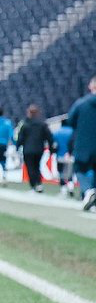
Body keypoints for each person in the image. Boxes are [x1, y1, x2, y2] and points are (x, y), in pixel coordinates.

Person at [66, 76, 96, 212]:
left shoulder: (81, 103)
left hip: (84, 144)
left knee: (79, 169)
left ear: (92, 86)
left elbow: (70, 121)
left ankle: (88, 191)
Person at [15, 103, 53, 193]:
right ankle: (39, 184)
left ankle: (33, 186)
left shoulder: (25, 124)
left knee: (30, 168)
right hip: (39, 149)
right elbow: (49, 136)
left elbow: (20, 138)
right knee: (37, 166)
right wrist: (51, 148)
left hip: (28, 150)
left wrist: (17, 147)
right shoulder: (42, 124)